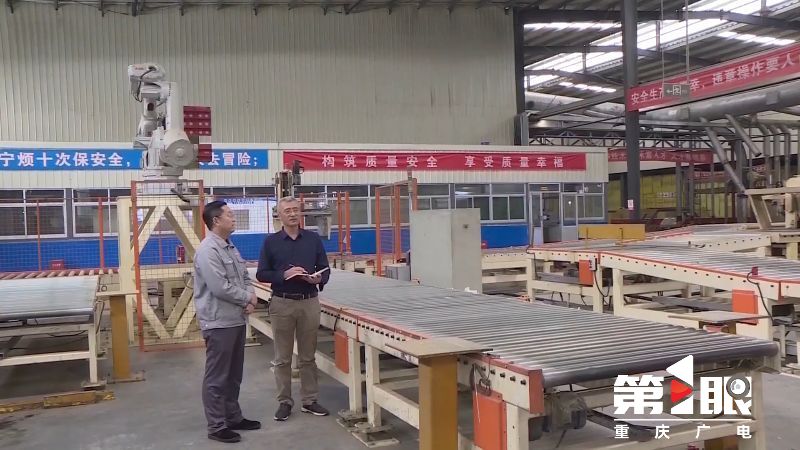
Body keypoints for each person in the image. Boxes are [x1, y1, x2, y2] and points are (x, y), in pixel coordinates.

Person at [256, 196, 331, 422]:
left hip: (309, 302)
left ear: (301, 213)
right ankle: (284, 402)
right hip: (282, 303)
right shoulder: (271, 242)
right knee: (283, 357)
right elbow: (262, 273)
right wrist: (284, 275)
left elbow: (325, 268)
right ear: (279, 215)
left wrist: (318, 279)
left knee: (308, 356)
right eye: (287, 210)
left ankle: (309, 400)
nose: (292, 214)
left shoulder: (313, 240)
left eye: (296, 210)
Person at [194, 200, 261, 443]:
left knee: (233, 375)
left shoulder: (229, 246)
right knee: (217, 377)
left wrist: (250, 297)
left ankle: (233, 417)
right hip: (218, 322)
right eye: (230, 215)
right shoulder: (208, 250)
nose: (234, 219)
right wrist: (248, 298)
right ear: (216, 221)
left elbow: (244, 277)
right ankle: (217, 426)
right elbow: (219, 287)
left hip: (235, 319)